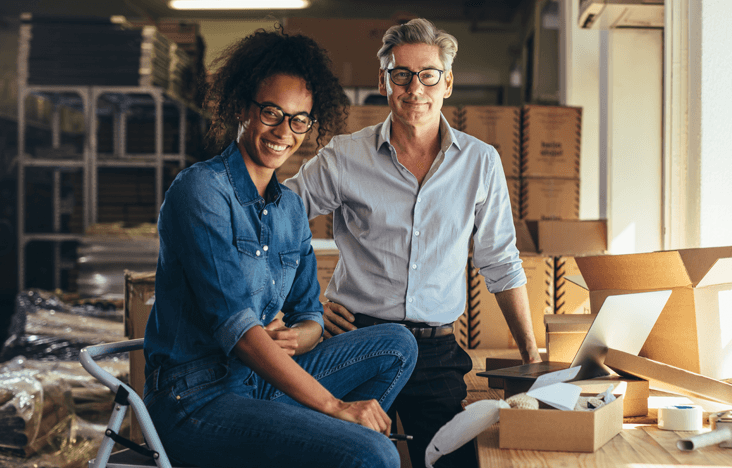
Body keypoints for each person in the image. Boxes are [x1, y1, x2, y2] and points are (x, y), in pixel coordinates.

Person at [141, 27, 418, 468]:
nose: (284, 131)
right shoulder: (201, 191)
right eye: (271, 112)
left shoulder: (289, 208)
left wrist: (293, 336)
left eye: (299, 120)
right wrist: (334, 406)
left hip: (259, 382)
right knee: (375, 453)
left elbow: (310, 316)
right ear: (241, 107)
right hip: (194, 400)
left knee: (397, 344)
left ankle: (330, 445)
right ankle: (343, 445)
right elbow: (236, 328)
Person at [284, 18, 541, 468]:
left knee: (451, 463)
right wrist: (303, 309)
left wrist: (531, 357)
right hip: (357, 341)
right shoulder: (345, 156)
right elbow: (275, 223)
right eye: (401, 74)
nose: (415, 88)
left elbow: (501, 262)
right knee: (352, 460)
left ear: (448, 83)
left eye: (428, 75)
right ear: (383, 81)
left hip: (435, 352)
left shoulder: (480, 163)